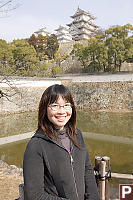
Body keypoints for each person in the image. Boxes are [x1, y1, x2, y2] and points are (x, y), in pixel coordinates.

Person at [23, 84, 100, 200]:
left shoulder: (77, 135)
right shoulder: (36, 145)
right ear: (45, 108)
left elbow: (87, 171)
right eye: (55, 105)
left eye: (66, 105)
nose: (62, 111)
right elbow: (34, 195)